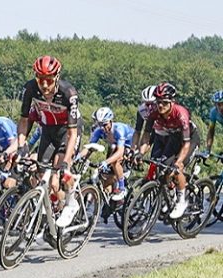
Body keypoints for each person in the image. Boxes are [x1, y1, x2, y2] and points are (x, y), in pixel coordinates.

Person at [16, 55, 81, 228]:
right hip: (48, 130)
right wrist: (21, 145)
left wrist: (66, 162)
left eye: (49, 80)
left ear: (57, 77)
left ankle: (71, 202)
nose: (44, 85)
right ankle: (50, 214)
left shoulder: (68, 93)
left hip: (67, 132)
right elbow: (24, 120)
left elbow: (72, 134)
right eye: (40, 79)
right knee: (39, 173)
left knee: (57, 177)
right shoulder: (30, 88)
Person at [137, 82, 200, 219]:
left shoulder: (180, 114)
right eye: (158, 102)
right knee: (163, 167)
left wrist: (179, 161)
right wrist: (140, 153)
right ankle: (170, 196)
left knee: (176, 168)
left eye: (164, 102)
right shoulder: (154, 113)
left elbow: (186, 144)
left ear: (172, 102)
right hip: (173, 138)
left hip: (189, 139)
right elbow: (147, 136)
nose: (160, 106)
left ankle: (181, 201)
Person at [86, 107, 133, 200]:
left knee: (115, 162)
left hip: (128, 146)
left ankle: (122, 188)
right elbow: (89, 147)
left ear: (111, 121)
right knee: (106, 176)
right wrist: (80, 157)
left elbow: (119, 152)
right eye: (100, 125)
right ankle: (108, 197)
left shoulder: (119, 129)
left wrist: (106, 162)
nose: (103, 128)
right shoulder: (99, 130)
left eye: (105, 124)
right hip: (113, 146)